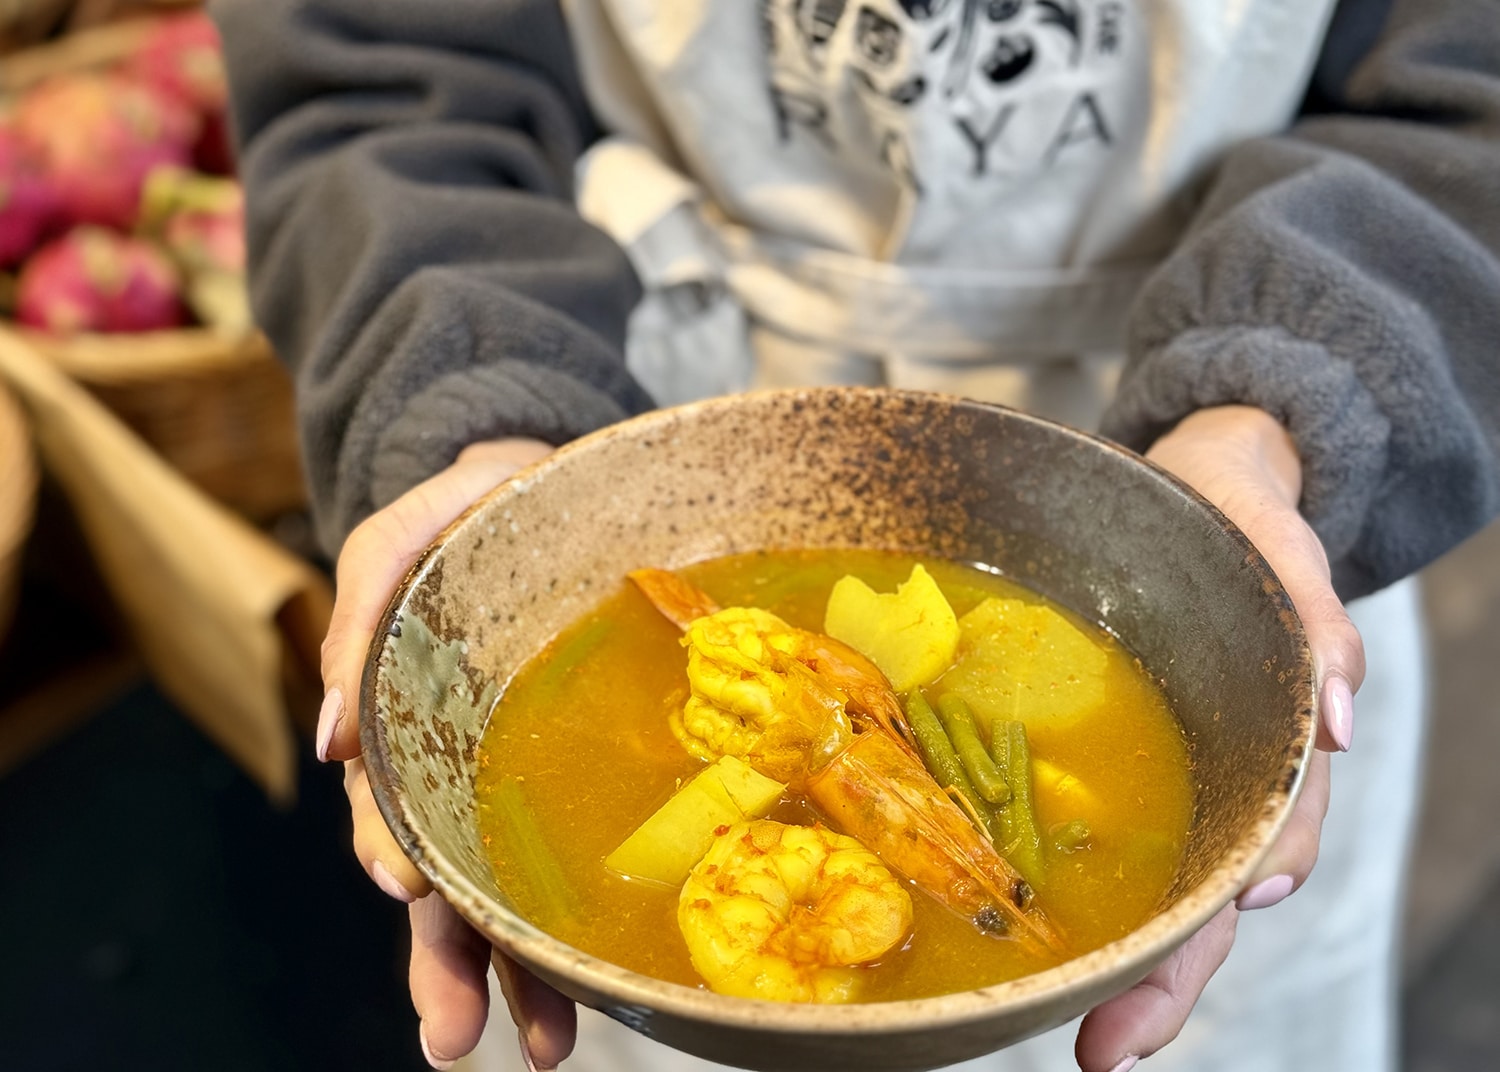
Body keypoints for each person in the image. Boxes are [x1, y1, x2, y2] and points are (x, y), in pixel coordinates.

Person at [209, 0, 1500, 1069]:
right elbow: (383, 82)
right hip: (649, 421)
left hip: (1223, 499)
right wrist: (485, 431)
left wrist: (1272, 412)